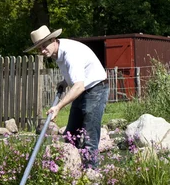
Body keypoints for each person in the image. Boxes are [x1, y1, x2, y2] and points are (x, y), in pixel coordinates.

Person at [25, 25, 109, 168]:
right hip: (83, 89)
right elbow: (77, 75)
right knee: (71, 135)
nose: (42, 50)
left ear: (53, 40)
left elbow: (79, 85)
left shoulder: (70, 53)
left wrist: (57, 107)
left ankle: (92, 175)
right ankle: (71, 172)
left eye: (44, 46)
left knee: (89, 137)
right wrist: (65, 81)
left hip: (96, 89)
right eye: (39, 48)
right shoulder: (56, 52)